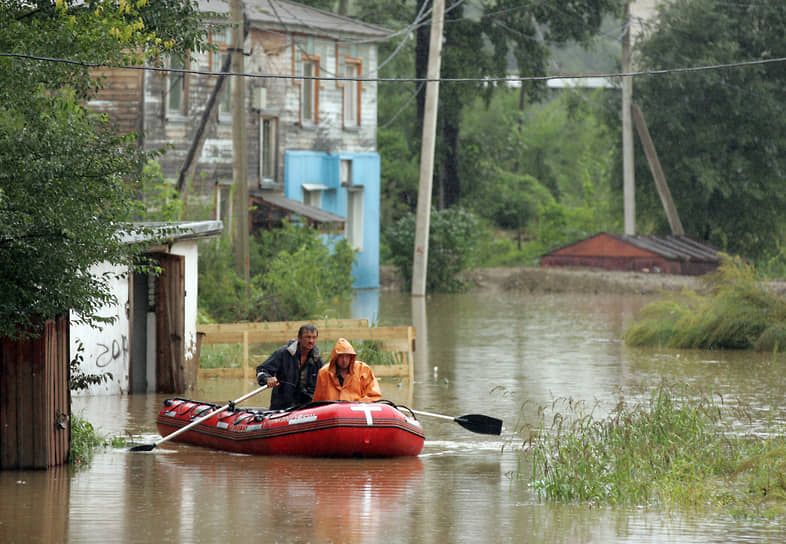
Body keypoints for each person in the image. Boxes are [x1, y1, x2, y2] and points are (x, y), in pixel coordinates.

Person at [256, 324, 323, 410]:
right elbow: (262, 370)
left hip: (306, 408)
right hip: (282, 407)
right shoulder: (283, 353)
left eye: (314, 337)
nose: (311, 341)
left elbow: (324, 380)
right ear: (299, 338)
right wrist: (267, 379)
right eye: (308, 337)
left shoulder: (317, 359)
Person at [312, 337, 382, 402]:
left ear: (351, 357)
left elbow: (374, 396)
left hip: (357, 412)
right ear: (335, 358)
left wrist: (357, 405)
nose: (344, 360)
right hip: (333, 413)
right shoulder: (323, 373)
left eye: (347, 356)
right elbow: (317, 401)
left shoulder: (363, 370)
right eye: (341, 356)